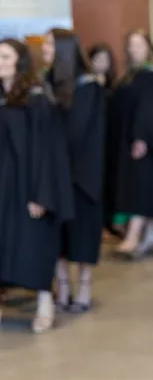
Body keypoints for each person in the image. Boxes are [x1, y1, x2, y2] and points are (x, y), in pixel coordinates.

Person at [0, 38, 74, 332]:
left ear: (19, 62)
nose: (0, 62)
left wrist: (41, 194)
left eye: (5, 57)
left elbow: (47, 150)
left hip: (28, 185)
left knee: (34, 244)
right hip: (2, 186)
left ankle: (45, 303)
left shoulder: (36, 98)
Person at [43, 29, 106, 312]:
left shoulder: (89, 86)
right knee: (57, 233)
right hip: (56, 172)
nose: (43, 47)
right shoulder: (47, 83)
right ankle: (62, 286)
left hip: (83, 173)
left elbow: (78, 132)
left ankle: (84, 287)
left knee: (82, 234)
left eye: (48, 43)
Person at [112, 30, 153, 258]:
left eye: (138, 44)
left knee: (140, 189)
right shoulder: (133, 74)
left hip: (146, 143)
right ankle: (151, 234)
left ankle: (133, 236)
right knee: (141, 187)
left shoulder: (151, 76)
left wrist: (141, 137)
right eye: (130, 44)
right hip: (133, 140)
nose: (133, 49)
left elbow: (149, 109)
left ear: (148, 47)